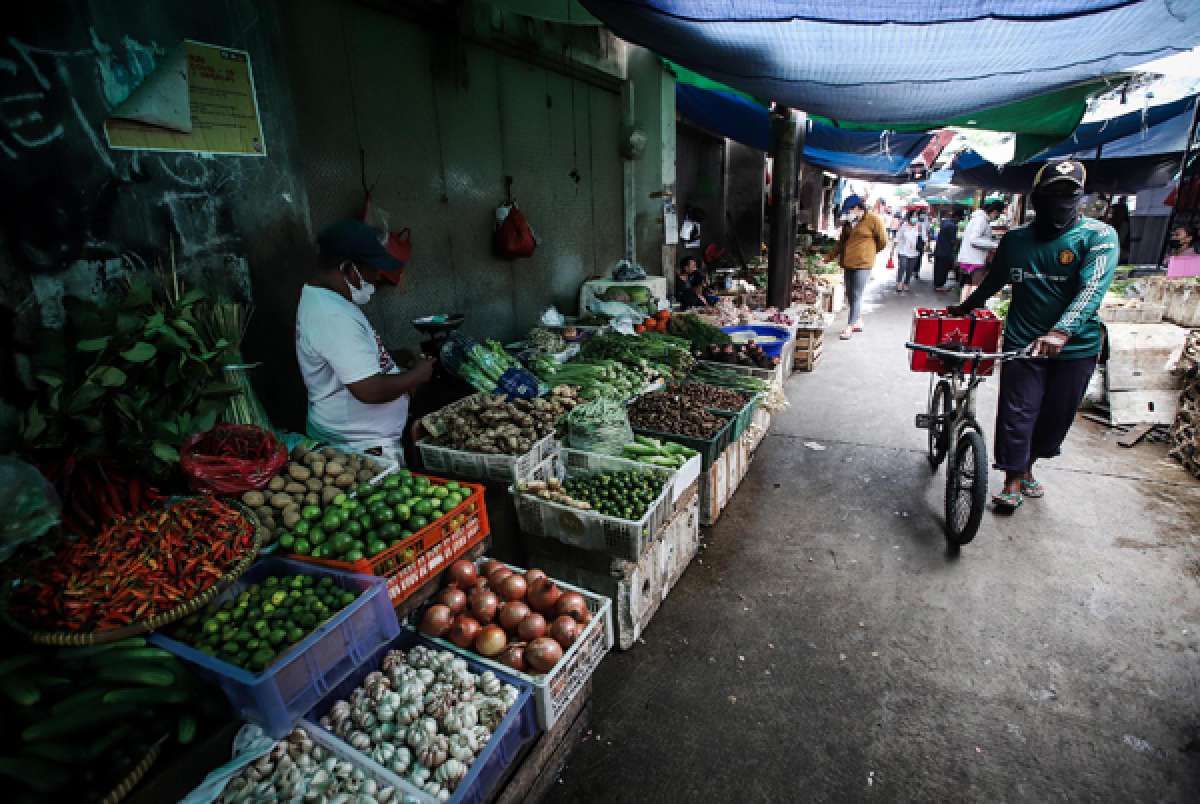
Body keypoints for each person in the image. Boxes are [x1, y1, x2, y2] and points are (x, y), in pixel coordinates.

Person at [948, 159, 1117, 513]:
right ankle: (1012, 479)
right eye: (1051, 193)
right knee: (1018, 413)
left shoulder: (1099, 237)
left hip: (1077, 348)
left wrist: (1061, 331)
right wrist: (965, 309)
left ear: (1079, 197)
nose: (1060, 201)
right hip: (1023, 344)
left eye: (1068, 193)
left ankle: (1028, 466)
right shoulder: (1016, 241)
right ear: (1036, 198)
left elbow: (1092, 289)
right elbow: (993, 281)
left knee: (1054, 419)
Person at [296, 219, 436, 461]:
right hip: (360, 448)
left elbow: (345, 356)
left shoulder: (330, 300)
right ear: (349, 269)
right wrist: (418, 375)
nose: (378, 277)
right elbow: (369, 390)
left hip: (361, 439)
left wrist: (390, 356)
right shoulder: (332, 315)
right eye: (373, 270)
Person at [828, 195, 888, 340]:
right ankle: (858, 319)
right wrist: (828, 257)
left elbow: (883, 241)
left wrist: (869, 253)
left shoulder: (873, 219)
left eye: (849, 210)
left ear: (857, 208)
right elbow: (841, 242)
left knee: (856, 295)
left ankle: (849, 327)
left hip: (863, 264)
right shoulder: (849, 222)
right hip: (848, 262)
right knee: (849, 294)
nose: (847, 213)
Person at [956, 199, 1005, 301]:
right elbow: (974, 239)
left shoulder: (977, 218)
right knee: (975, 286)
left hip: (968, 258)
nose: (996, 217)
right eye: (997, 215)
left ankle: (963, 308)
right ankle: (970, 309)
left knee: (968, 284)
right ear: (995, 211)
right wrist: (994, 245)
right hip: (975, 259)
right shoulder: (981, 220)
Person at [932, 211, 961, 292]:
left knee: (938, 268)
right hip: (946, 251)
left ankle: (937, 284)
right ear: (957, 217)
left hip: (939, 249)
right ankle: (939, 286)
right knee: (943, 269)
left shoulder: (944, 223)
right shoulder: (952, 226)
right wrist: (957, 242)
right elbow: (952, 240)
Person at [894, 211, 922, 292]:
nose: (915, 218)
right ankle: (899, 282)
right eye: (913, 216)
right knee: (902, 266)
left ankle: (906, 283)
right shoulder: (904, 226)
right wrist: (892, 250)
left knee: (910, 269)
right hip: (903, 251)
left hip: (914, 252)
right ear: (909, 217)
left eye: (916, 216)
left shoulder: (919, 226)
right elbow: (898, 237)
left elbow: (923, 237)